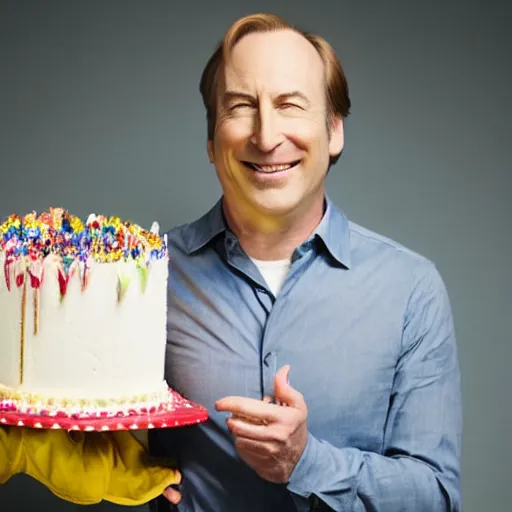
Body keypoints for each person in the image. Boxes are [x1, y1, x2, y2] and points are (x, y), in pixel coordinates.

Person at [150, 12, 462, 511]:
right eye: (241, 107)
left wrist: (307, 462)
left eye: (290, 105)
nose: (267, 135)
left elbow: (436, 499)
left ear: (334, 130)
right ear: (212, 142)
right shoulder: (146, 277)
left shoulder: (411, 290)